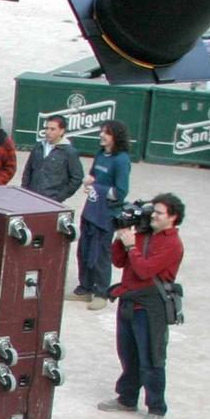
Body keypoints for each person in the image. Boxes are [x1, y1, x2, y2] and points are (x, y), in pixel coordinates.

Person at [96, 193, 185, 419]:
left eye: (159, 213)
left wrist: (131, 245)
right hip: (129, 302)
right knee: (128, 354)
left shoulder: (173, 244)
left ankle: (157, 408)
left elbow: (145, 270)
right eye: (153, 211)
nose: (153, 215)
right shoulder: (143, 232)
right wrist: (120, 238)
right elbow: (118, 261)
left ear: (173, 217)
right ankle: (127, 398)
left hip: (151, 307)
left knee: (152, 359)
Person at [78, 119, 134, 311]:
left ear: (116, 137)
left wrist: (96, 188)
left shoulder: (121, 160)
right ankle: (85, 288)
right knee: (84, 249)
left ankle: (101, 292)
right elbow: (93, 176)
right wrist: (89, 182)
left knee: (101, 254)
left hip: (106, 215)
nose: (102, 135)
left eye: (107, 133)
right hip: (90, 211)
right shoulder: (100, 154)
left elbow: (121, 191)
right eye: (101, 131)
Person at [21, 113, 83, 204]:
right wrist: (24, 189)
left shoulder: (69, 152)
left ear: (61, 131)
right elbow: (28, 170)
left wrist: (59, 197)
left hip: (51, 201)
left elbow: (77, 178)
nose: (48, 132)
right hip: (31, 197)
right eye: (46, 128)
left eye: (52, 129)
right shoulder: (38, 147)